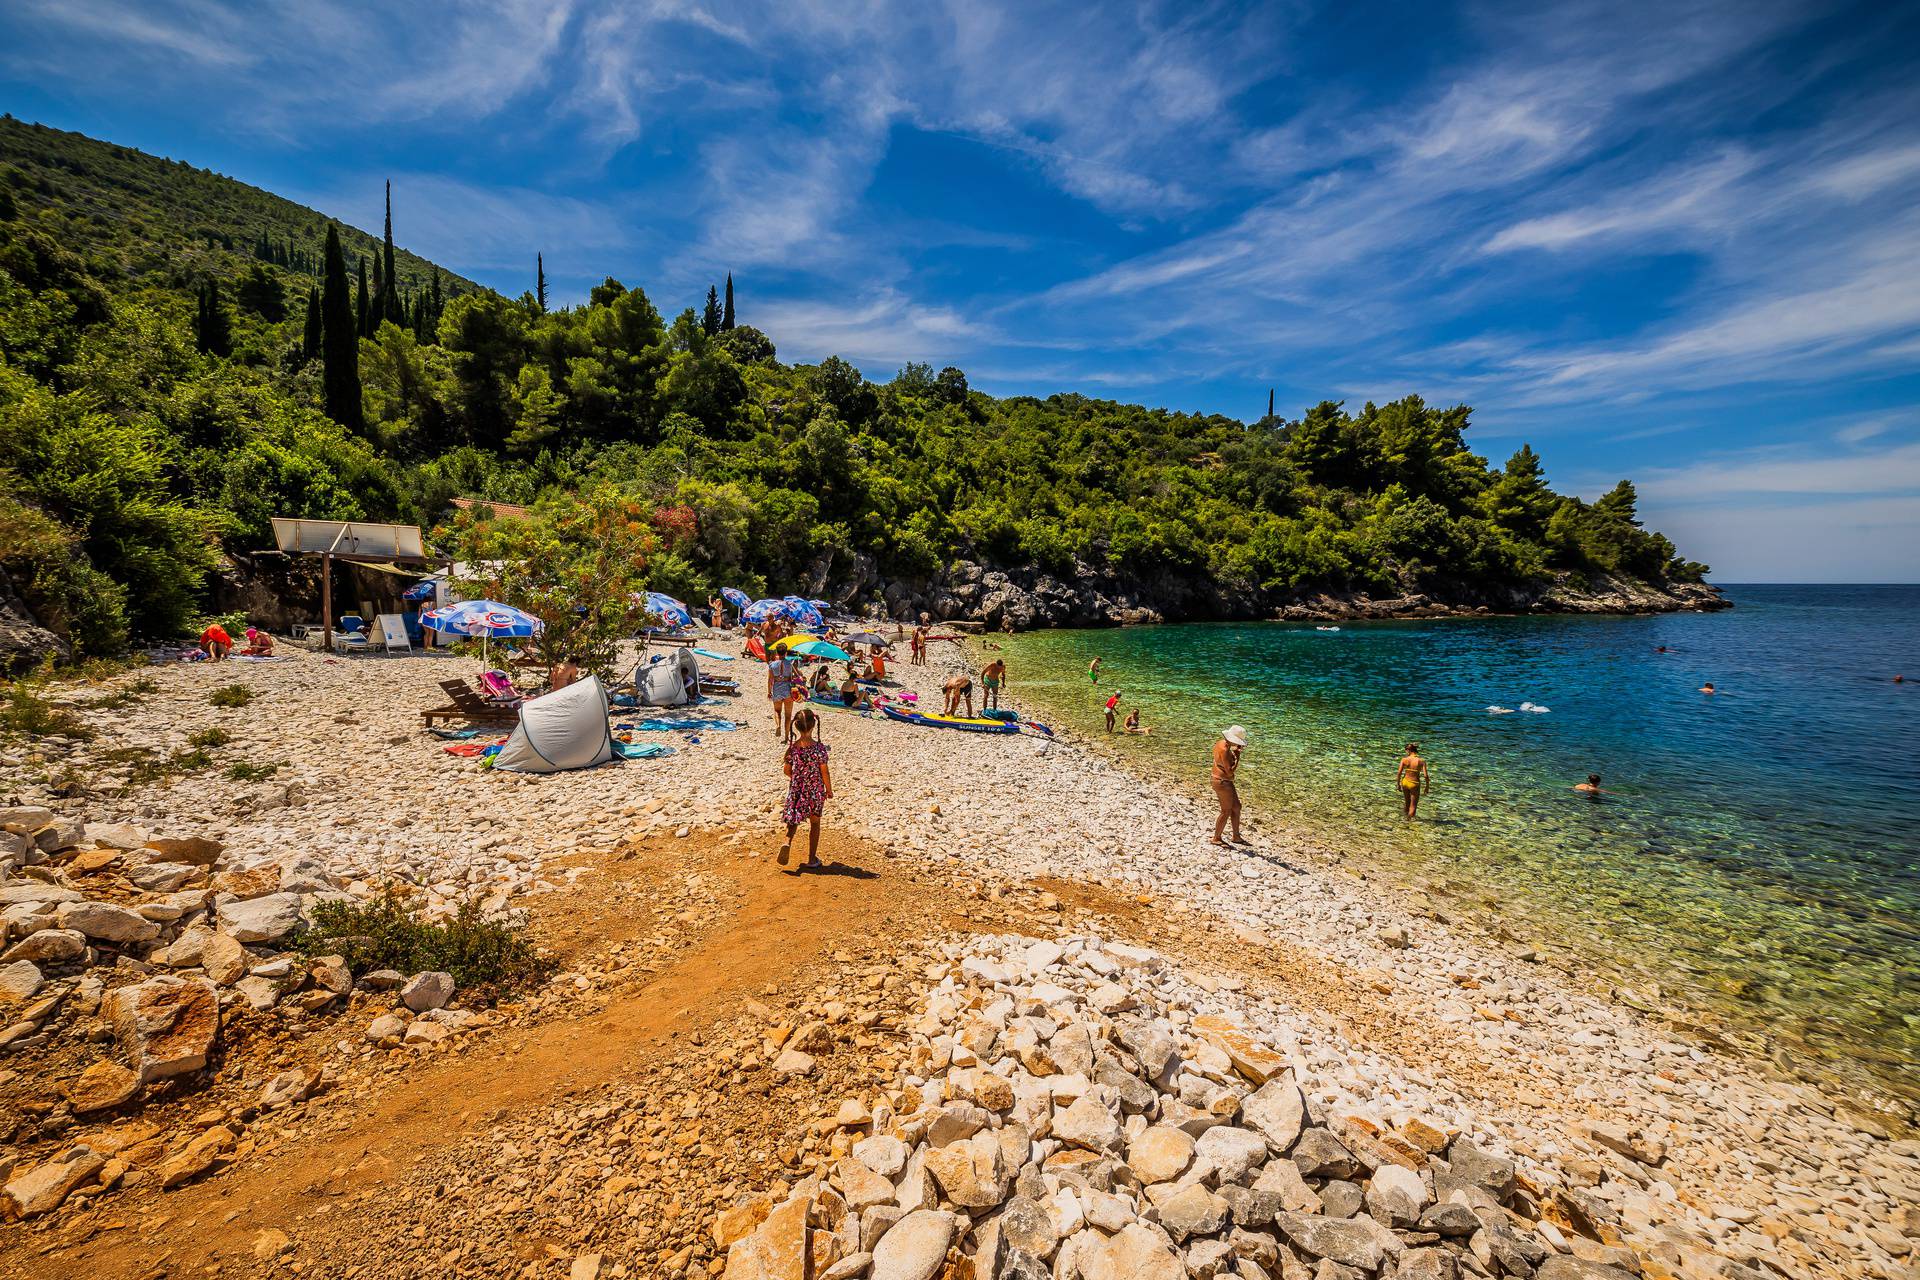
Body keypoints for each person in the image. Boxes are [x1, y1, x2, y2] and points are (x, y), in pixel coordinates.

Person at [777, 708, 832, 872]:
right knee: (815, 823)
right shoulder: (819, 749)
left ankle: (787, 841)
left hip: (797, 789)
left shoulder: (793, 748)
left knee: (793, 817)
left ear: (797, 726)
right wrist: (829, 790)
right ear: (814, 726)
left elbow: (787, 770)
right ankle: (811, 859)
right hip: (815, 790)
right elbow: (825, 771)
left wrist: (798, 779)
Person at [1211, 726, 1247, 846]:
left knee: (1236, 806)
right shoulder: (1225, 751)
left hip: (1222, 780)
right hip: (1222, 781)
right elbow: (1229, 771)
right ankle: (1216, 838)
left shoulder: (1220, 743)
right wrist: (1237, 756)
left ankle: (1236, 836)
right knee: (1226, 811)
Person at [767, 650, 800, 741]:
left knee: (777, 710)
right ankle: (786, 737)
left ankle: (778, 726)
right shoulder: (790, 664)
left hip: (777, 689)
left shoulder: (772, 665)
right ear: (785, 653)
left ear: (777, 653)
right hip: (788, 690)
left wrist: (769, 692)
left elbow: (770, 680)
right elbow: (796, 677)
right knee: (788, 715)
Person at [1396, 743, 1430, 819]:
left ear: (1408, 750)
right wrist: (1427, 787)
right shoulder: (1421, 761)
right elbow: (1425, 776)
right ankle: (1408, 822)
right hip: (1414, 783)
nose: (1406, 753)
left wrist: (1398, 784)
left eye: (1406, 751)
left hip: (1405, 782)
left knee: (1407, 803)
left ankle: (1404, 818)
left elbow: (1399, 773)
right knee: (1413, 806)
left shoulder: (1404, 759)